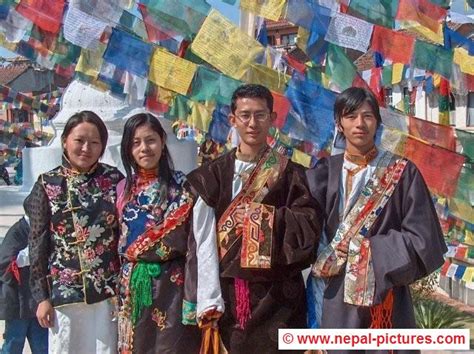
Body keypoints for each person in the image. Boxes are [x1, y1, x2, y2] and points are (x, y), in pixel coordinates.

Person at [306, 87, 447, 353]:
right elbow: (303, 229)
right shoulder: (322, 173)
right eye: (350, 116)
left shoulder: (403, 173)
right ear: (339, 123)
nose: (360, 123)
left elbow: (424, 240)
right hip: (333, 296)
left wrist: (370, 253)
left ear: (378, 123)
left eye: (367, 116)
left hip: (386, 299)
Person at [186, 84, 321, 353]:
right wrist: (209, 300)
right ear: (232, 119)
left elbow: (309, 226)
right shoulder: (210, 176)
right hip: (232, 297)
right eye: (245, 115)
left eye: (260, 115)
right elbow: (203, 243)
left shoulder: (292, 174)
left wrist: (261, 219)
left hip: (281, 297)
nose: (252, 123)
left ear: (273, 119)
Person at [25, 111, 123, 353]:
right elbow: (37, 243)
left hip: (108, 294)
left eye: (94, 142)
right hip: (63, 296)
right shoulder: (47, 184)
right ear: (64, 141)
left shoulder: (115, 181)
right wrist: (42, 298)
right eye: (79, 140)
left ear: (102, 146)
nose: (86, 148)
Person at [116, 113, 200, 353]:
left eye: (150, 140)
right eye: (136, 142)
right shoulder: (122, 189)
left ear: (163, 142)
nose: (144, 148)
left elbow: (194, 243)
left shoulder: (184, 187)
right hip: (131, 285)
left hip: (172, 286)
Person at [0, 205, 48, 354]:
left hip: (37, 301)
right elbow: (5, 263)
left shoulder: (43, 231)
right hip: (17, 303)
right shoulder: (16, 232)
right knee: (13, 344)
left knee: (43, 347)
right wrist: (32, 253)